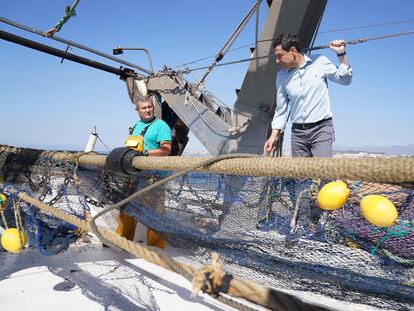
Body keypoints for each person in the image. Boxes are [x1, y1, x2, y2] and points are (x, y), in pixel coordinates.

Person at [264, 33, 353, 157]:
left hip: (321, 128)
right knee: (300, 176)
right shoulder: (281, 76)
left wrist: (341, 54)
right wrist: (273, 136)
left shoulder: (320, 61)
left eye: (280, 56)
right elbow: (281, 109)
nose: (277, 61)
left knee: (322, 173)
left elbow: (345, 80)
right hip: (297, 133)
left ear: (293, 51)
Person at [116, 95, 172, 248]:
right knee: (127, 207)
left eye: (150, 107)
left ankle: (156, 246)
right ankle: (122, 240)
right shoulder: (136, 126)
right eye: (144, 108)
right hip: (134, 175)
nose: (147, 110)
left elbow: (166, 149)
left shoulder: (161, 126)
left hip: (154, 176)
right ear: (137, 110)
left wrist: (145, 154)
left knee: (154, 211)